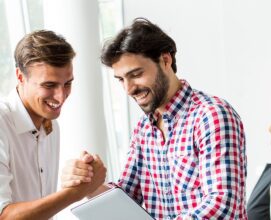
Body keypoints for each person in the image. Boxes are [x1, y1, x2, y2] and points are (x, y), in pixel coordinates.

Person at [61, 18, 247, 219]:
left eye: (136, 74)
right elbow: (127, 196)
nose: (129, 88)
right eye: (121, 79)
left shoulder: (212, 116)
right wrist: (89, 185)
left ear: (165, 60)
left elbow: (221, 205)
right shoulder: (144, 128)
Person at [0, 30, 106, 220]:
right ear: (20, 76)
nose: (61, 96)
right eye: (49, 85)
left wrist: (84, 176)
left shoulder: (50, 126)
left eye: (67, 83)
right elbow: (4, 216)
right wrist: (76, 192)